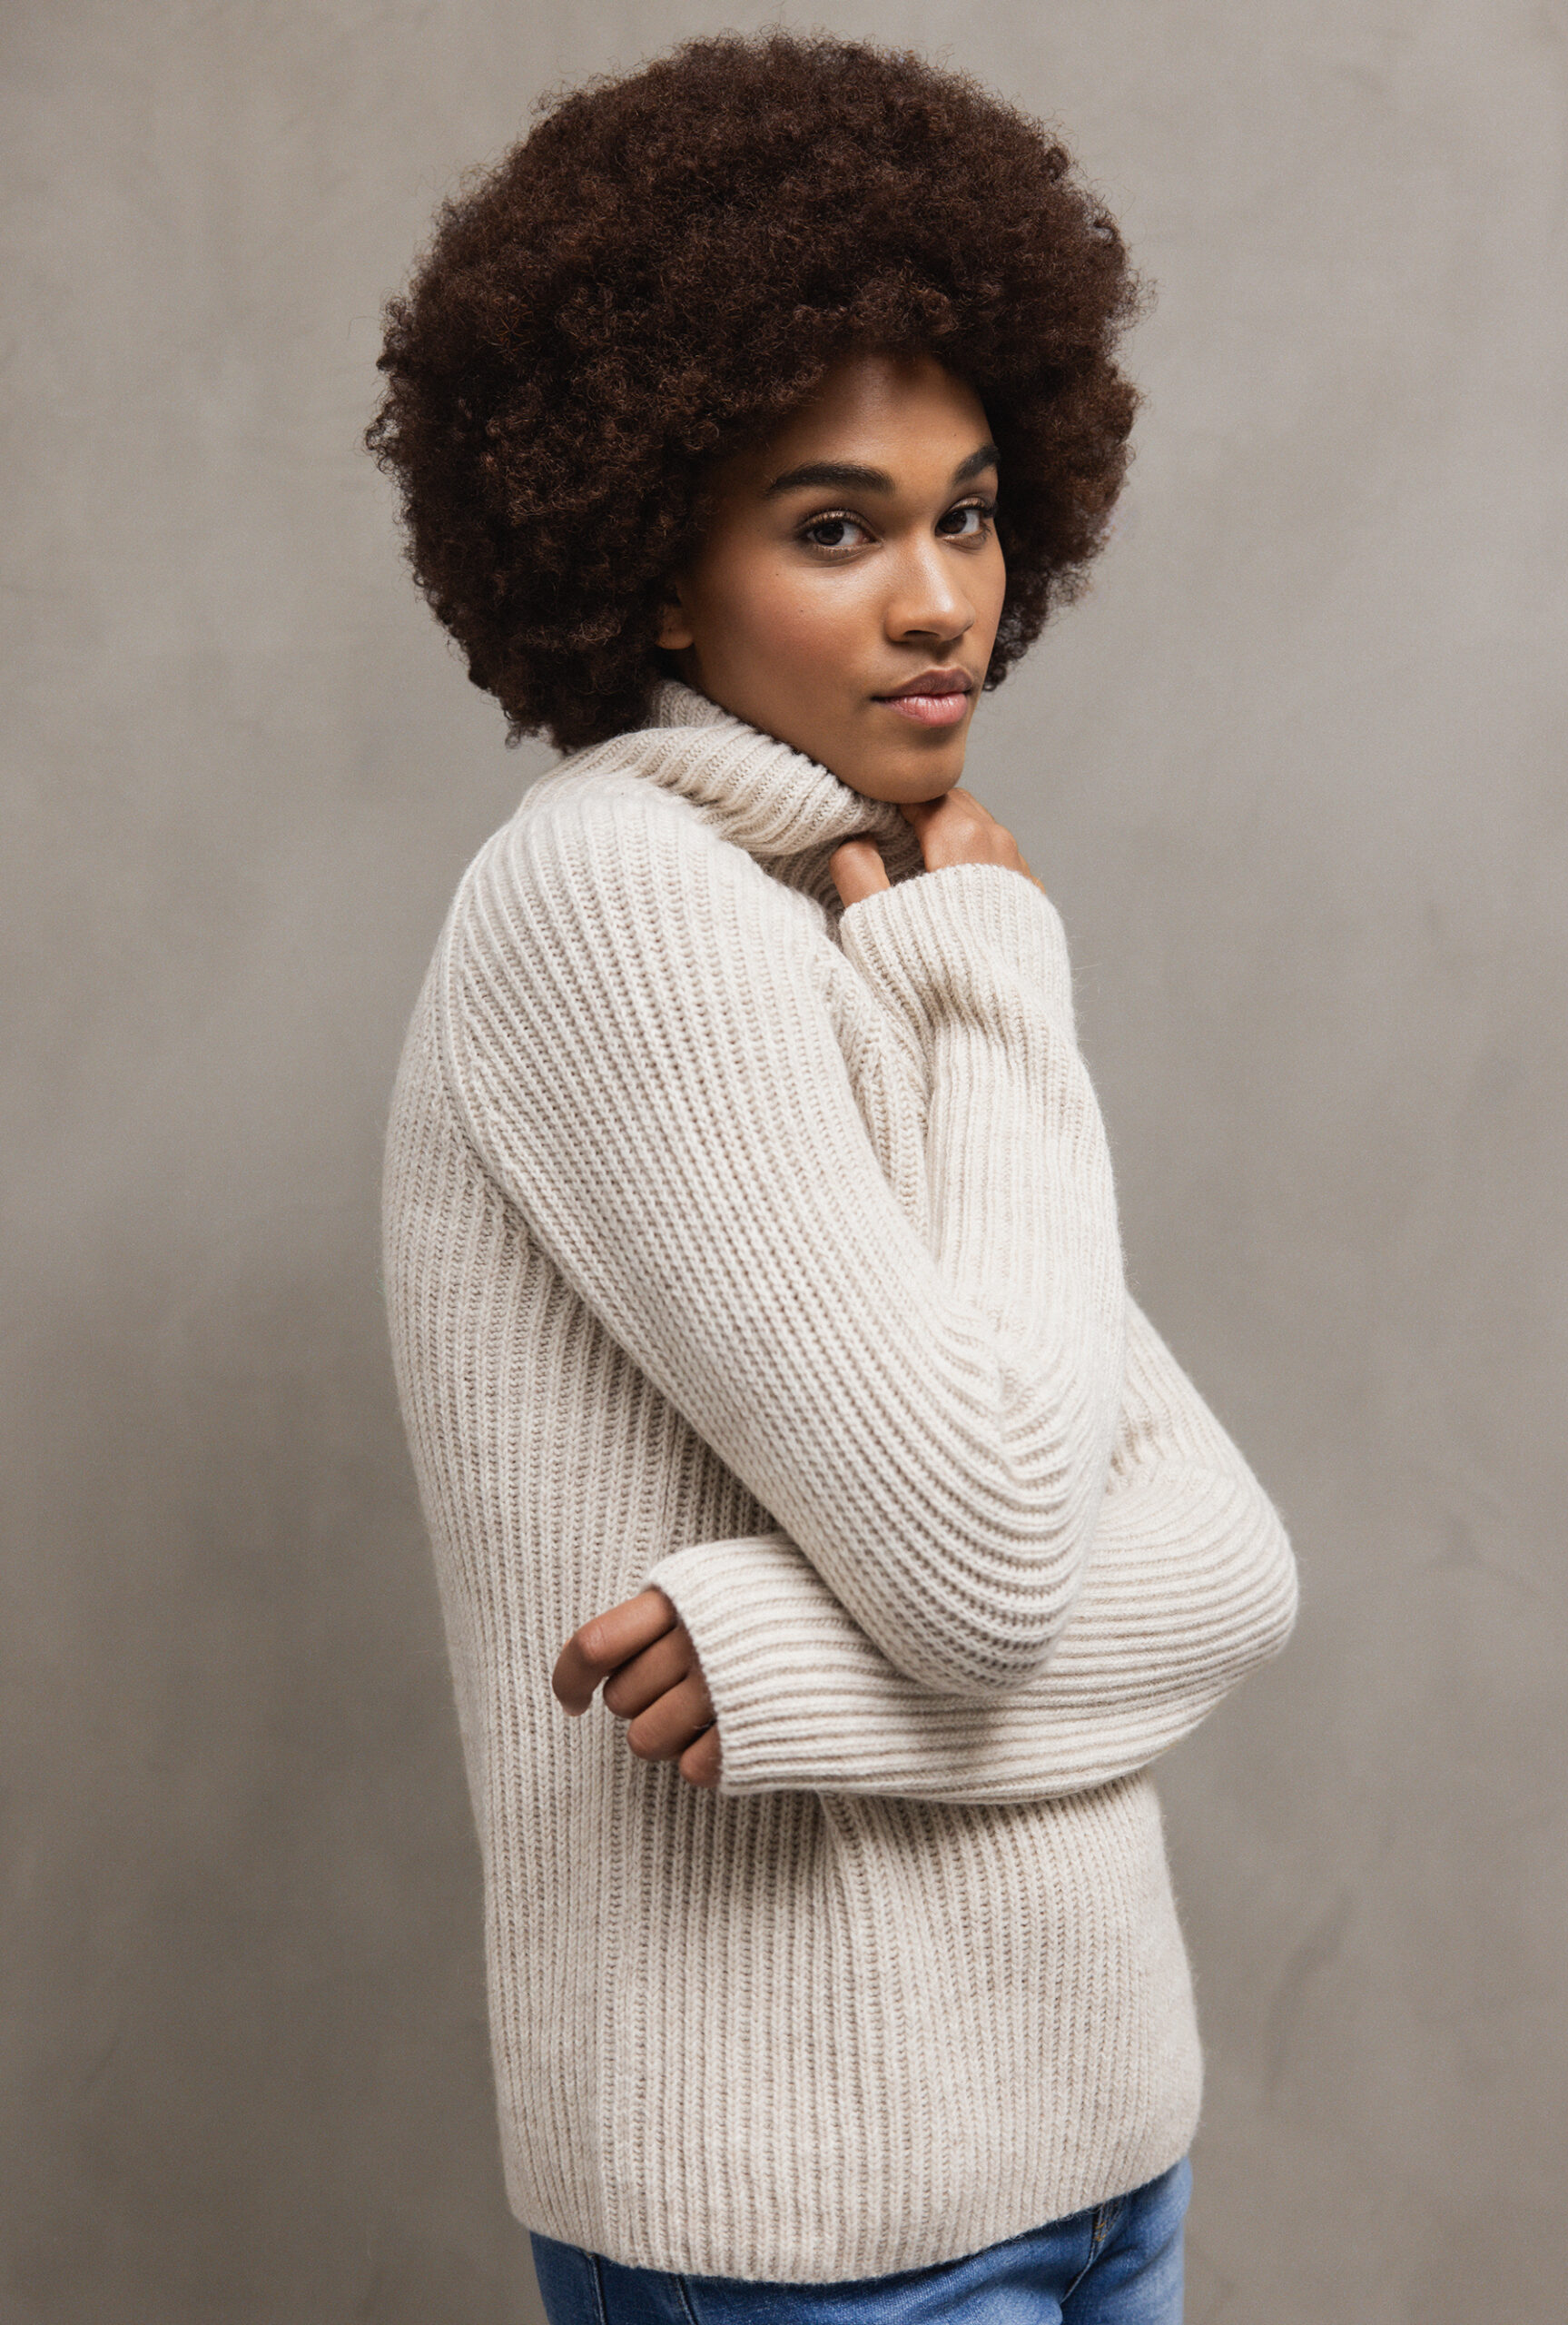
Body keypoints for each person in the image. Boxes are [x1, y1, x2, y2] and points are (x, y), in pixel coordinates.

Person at [369, 31, 1297, 2324]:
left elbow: (1223, 1557)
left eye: (965, 512)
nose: (937, 599)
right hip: (810, 2218)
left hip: (1100, 2147)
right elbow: (991, 1558)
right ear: (656, 575)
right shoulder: (623, 905)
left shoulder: (855, 910)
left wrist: (788, 1666)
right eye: (832, 526)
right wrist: (999, 971)